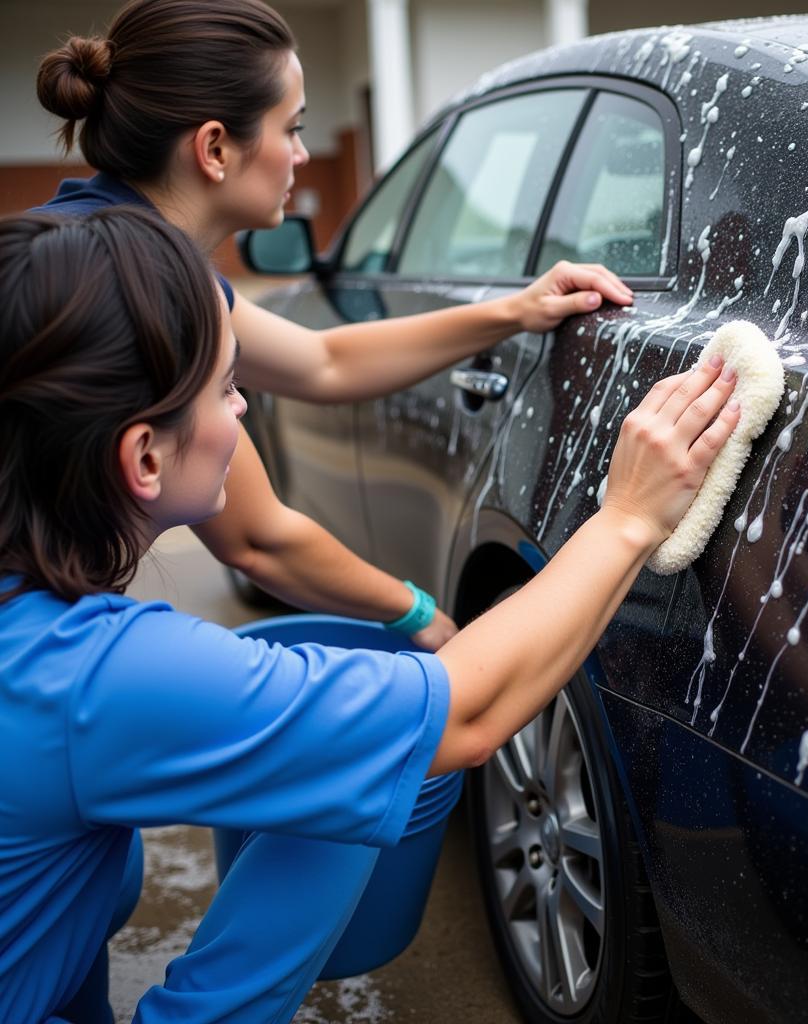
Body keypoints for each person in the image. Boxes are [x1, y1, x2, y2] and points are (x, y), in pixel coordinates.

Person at [0, 207, 740, 1021]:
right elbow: (464, 716)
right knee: (364, 766)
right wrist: (628, 517)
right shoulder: (85, 676)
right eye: (227, 387)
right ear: (143, 456)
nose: (245, 409)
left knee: (343, 768)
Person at [33, 0, 636, 653]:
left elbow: (323, 363)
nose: (300, 154)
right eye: (290, 129)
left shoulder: (90, 241)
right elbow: (257, 539)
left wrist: (516, 310)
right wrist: (420, 615)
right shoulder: (145, 281)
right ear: (213, 148)